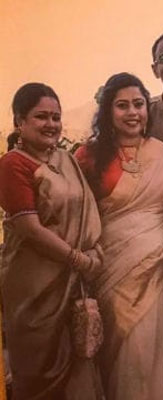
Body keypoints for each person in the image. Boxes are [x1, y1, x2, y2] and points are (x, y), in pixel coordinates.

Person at [0, 83, 103, 399]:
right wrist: (79, 259)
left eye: (56, 117)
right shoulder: (13, 164)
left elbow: (86, 213)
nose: (51, 124)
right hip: (34, 290)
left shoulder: (66, 160)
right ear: (20, 121)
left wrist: (93, 251)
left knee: (77, 371)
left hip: (72, 285)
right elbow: (30, 228)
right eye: (41, 116)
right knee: (39, 376)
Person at [75, 73, 163, 400]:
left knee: (152, 358)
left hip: (158, 271)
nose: (132, 112)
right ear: (108, 111)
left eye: (138, 104)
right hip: (111, 275)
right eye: (122, 106)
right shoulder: (88, 156)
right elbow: (74, 215)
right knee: (122, 362)